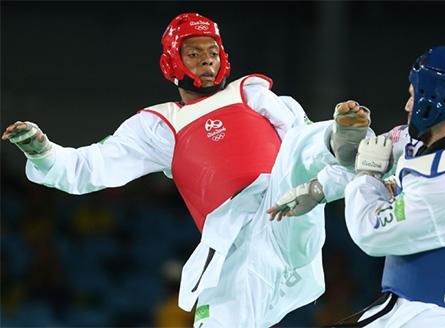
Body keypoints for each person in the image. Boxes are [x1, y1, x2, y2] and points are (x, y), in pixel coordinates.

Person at [2, 12, 372, 327]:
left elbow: (303, 145)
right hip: (233, 242)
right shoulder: (162, 125)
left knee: (302, 145)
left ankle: (346, 140)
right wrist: (43, 152)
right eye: (193, 54)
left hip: (288, 201)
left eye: (212, 53)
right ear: (171, 63)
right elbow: (89, 167)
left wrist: (330, 166)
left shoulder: (253, 94)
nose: (206, 61)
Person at [270, 46, 445, 327]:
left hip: (441, 314)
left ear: (433, 104)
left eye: (412, 98)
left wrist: (367, 176)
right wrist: (321, 187)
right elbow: (390, 150)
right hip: (419, 302)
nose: (406, 107)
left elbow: (370, 232)